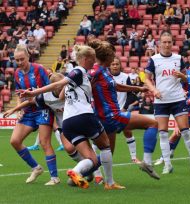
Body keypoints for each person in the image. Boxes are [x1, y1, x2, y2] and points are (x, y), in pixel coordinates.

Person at [20, 45, 124, 190]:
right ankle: (110, 183)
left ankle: (75, 172)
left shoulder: (77, 75)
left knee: (92, 159)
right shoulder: (79, 71)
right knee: (106, 145)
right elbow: (58, 83)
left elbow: (62, 91)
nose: (95, 61)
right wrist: (34, 92)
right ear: (86, 59)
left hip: (68, 123)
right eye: (93, 58)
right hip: (83, 116)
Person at [4, 73, 104, 184]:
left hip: (81, 121)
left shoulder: (72, 90)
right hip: (65, 127)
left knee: (91, 150)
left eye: (64, 85)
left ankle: (95, 172)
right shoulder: (45, 96)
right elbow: (30, 101)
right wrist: (14, 110)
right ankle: (88, 169)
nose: (64, 88)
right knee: (69, 148)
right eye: (60, 87)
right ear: (54, 86)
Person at [88, 39, 160, 180]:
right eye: (113, 56)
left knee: (108, 152)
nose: (115, 60)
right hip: (111, 116)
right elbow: (82, 84)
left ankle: (80, 172)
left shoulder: (104, 71)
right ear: (107, 57)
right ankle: (147, 161)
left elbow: (116, 86)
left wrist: (138, 88)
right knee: (153, 124)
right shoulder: (96, 71)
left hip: (107, 117)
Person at [144, 31, 190, 174]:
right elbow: (146, 79)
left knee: (185, 131)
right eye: (164, 42)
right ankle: (167, 164)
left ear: (172, 43)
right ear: (160, 43)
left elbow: (187, 79)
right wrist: (154, 90)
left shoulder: (179, 58)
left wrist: (182, 76)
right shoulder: (154, 60)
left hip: (177, 99)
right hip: (160, 101)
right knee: (162, 133)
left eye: (169, 42)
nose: (167, 44)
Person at [10, 44, 59, 185]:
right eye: (17, 60)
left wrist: (37, 97)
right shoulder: (17, 74)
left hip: (42, 109)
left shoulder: (39, 69)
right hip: (28, 111)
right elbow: (20, 94)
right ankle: (36, 168)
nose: (19, 63)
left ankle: (54, 177)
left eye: (22, 59)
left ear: (28, 56)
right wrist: (19, 109)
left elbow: (50, 88)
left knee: (44, 143)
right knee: (14, 141)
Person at [109, 57, 141, 163]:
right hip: (108, 111)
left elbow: (131, 95)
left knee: (127, 132)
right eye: (113, 64)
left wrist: (125, 108)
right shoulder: (105, 77)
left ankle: (134, 157)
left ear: (120, 65)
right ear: (109, 65)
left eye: (117, 64)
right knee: (103, 135)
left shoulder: (125, 77)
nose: (115, 66)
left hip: (122, 110)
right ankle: (96, 158)